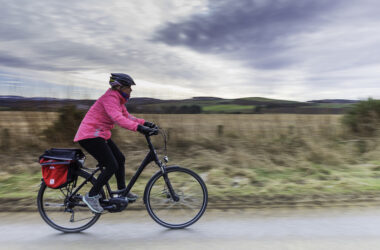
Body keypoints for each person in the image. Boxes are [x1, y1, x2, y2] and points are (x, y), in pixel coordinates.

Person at [74, 73, 158, 213]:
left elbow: (127, 117)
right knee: (111, 165)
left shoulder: (118, 100)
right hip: (89, 135)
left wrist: (145, 123)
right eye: (128, 87)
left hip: (100, 134)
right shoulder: (110, 98)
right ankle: (91, 196)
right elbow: (118, 118)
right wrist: (140, 128)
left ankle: (121, 192)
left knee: (120, 159)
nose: (131, 90)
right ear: (118, 87)